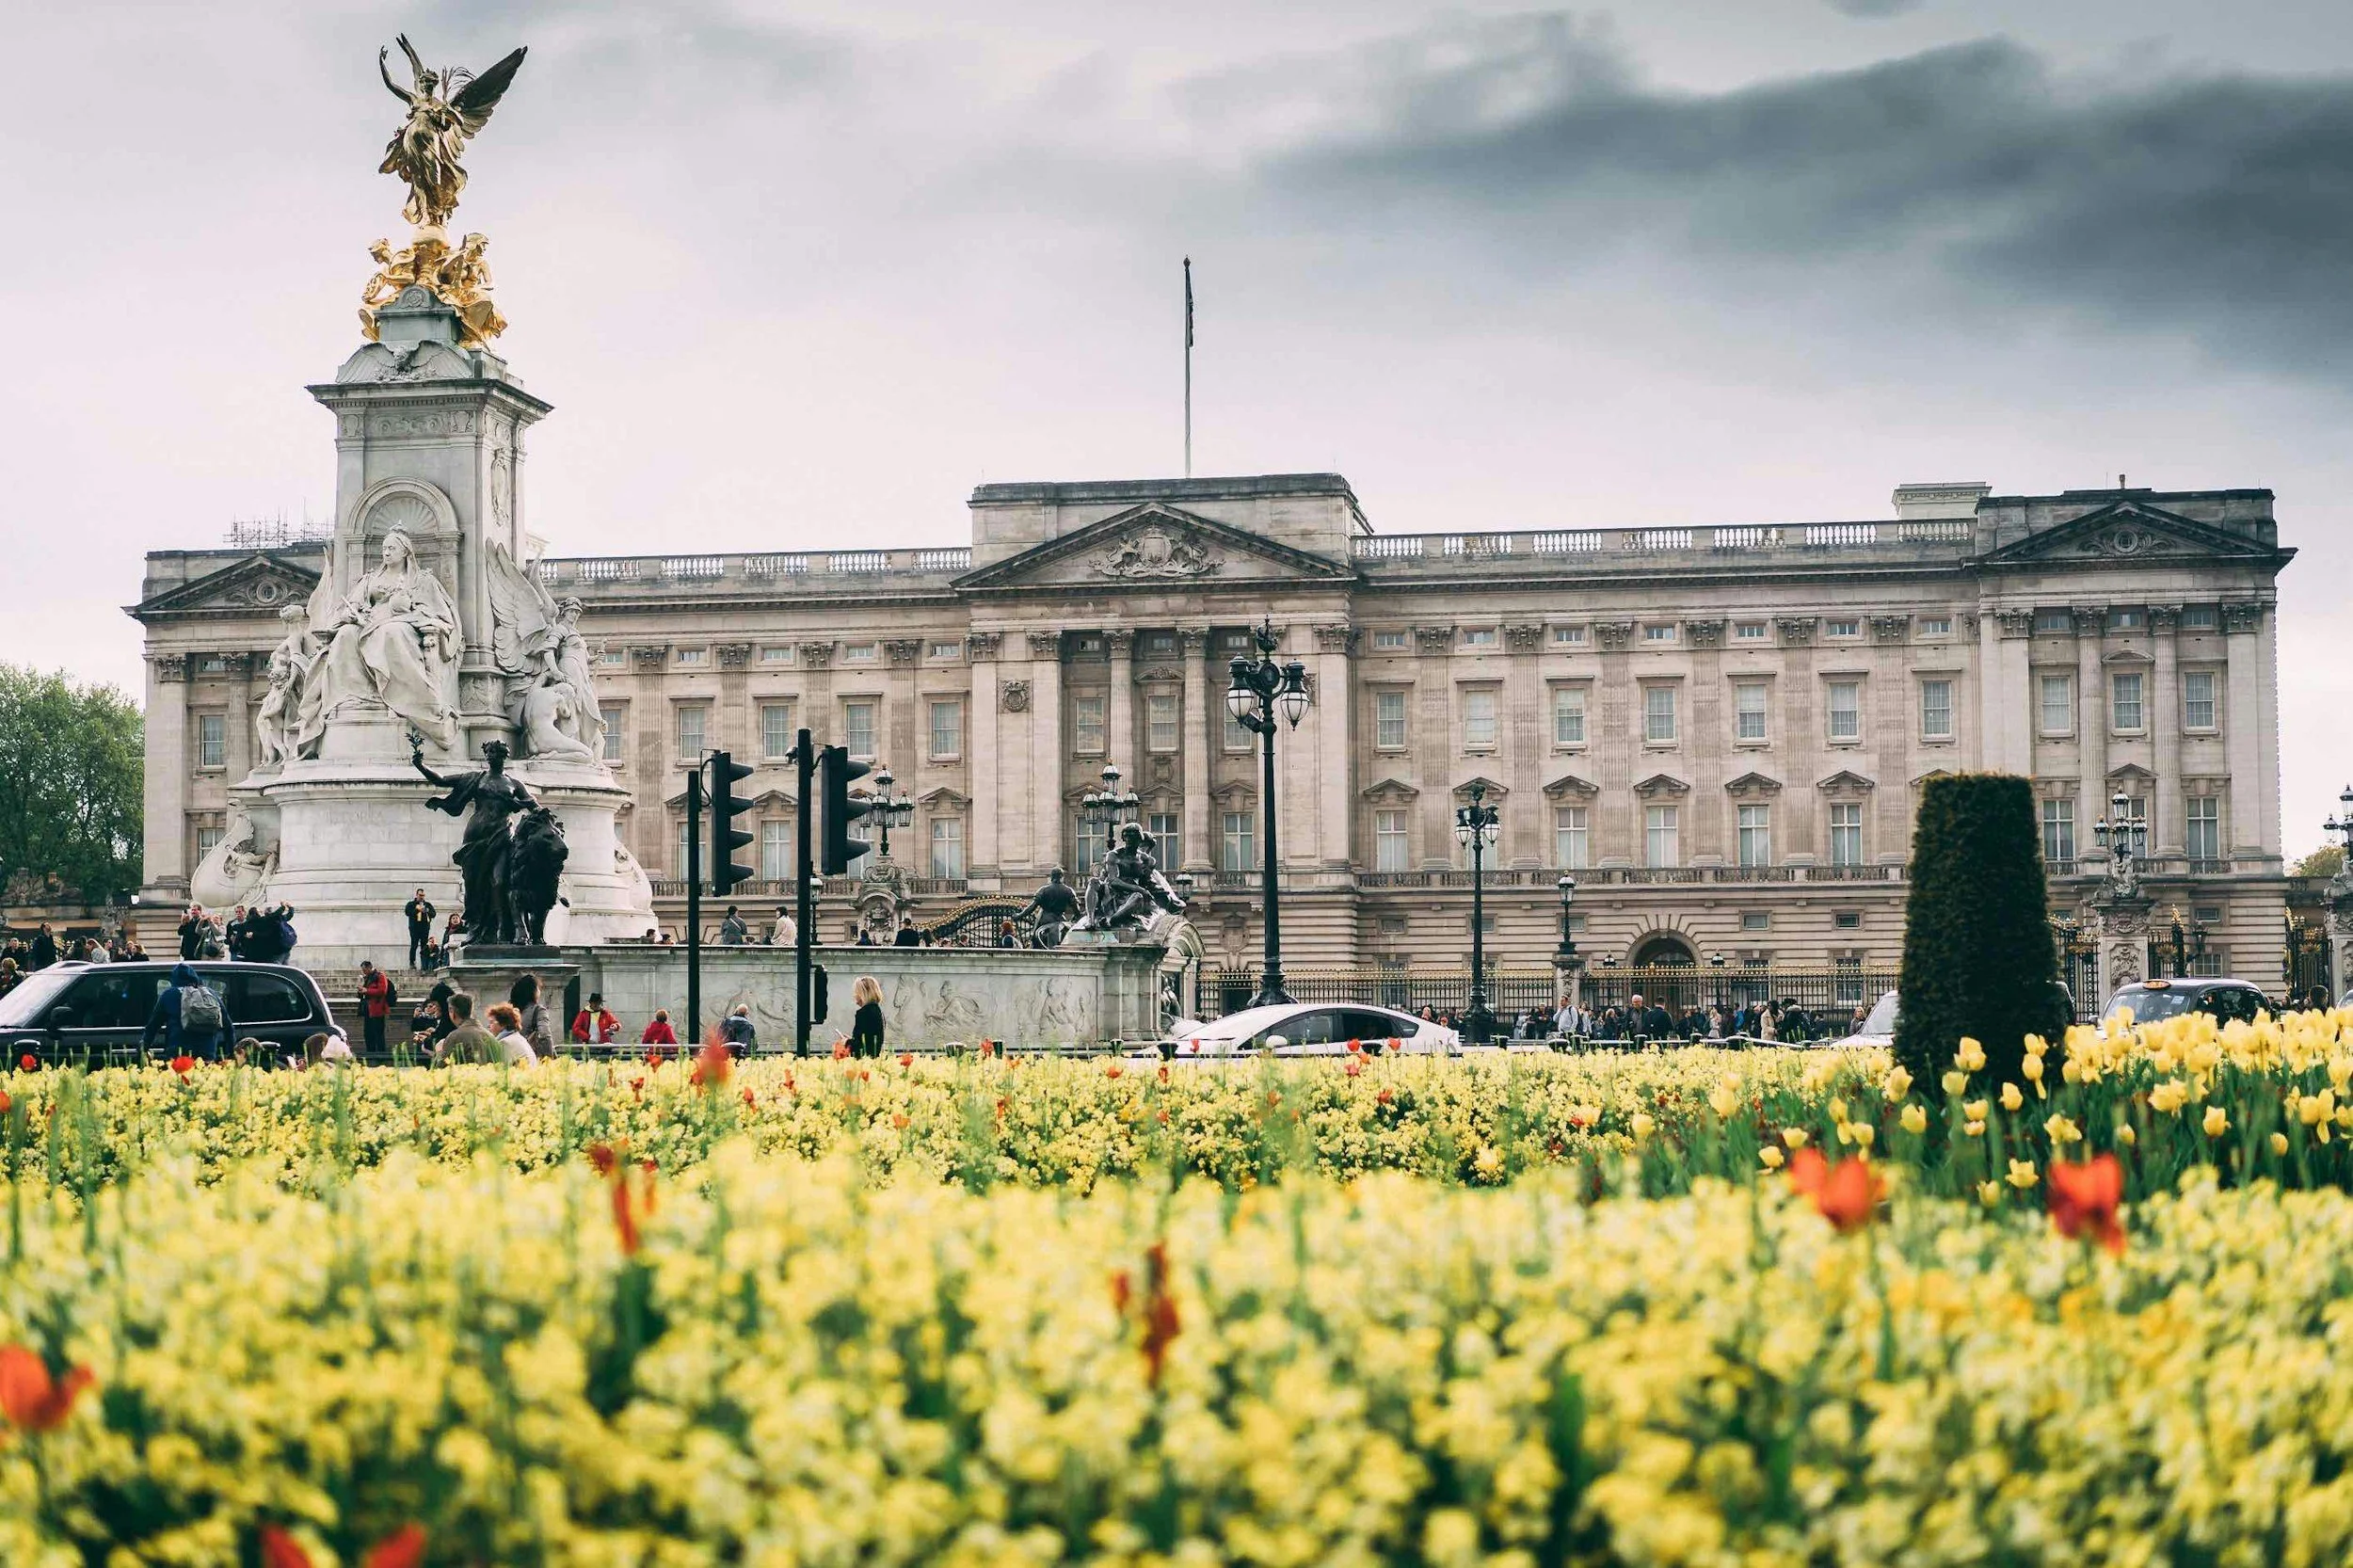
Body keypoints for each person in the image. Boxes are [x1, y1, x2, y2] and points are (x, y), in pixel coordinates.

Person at [143, 962, 232, 1062]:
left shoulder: (169, 994)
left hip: (178, 1054)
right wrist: (231, 1053)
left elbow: (153, 1026)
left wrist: (144, 1049)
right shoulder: (210, 994)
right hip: (207, 1053)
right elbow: (228, 1026)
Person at [430, 992, 503, 1065]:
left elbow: (442, 1068)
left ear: (452, 1011)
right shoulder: (489, 1035)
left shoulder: (456, 1036)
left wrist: (439, 1052)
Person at [358, 959, 397, 1056]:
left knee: (378, 1033)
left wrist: (367, 990)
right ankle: (370, 1052)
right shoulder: (367, 978)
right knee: (368, 1032)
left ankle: (380, 1053)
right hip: (367, 1009)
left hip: (378, 1009)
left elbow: (382, 991)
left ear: (369, 968)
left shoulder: (380, 976)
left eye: (365, 970)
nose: (364, 972)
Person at [509, 974, 554, 1056]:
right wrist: (549, 1060)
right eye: (538, 988)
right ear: (532, 992)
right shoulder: (538, 1010)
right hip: (531, 1056)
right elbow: (545, 1036)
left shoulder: (510, 1011)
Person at [485, 1002, 539, 1066]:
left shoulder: (505, 1043)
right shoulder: (518, 1038)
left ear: (503, 1024)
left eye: (491, 1022)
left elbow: (501, 1069)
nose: (489, 1026)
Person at [847, 976, 886, 1059]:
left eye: (857, 993)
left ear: (863, 994)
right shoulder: (877, 1011)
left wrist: (847, 1042)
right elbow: (869, 1040)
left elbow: (862, 1049)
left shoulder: (864, 1013)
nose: (855, 998)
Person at [405, 888, 437, 970]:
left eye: (423, 895)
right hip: (414, 928)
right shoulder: (411, 904)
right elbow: (408, 913)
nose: (422, 897)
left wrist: (427, 911)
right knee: (414, 945)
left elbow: (433, 914)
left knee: (424, 946)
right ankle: (412, 963)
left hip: (425, 928)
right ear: (416, 895)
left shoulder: (428, 905)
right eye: (420, 895)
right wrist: (417, 909)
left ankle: (424, 964)